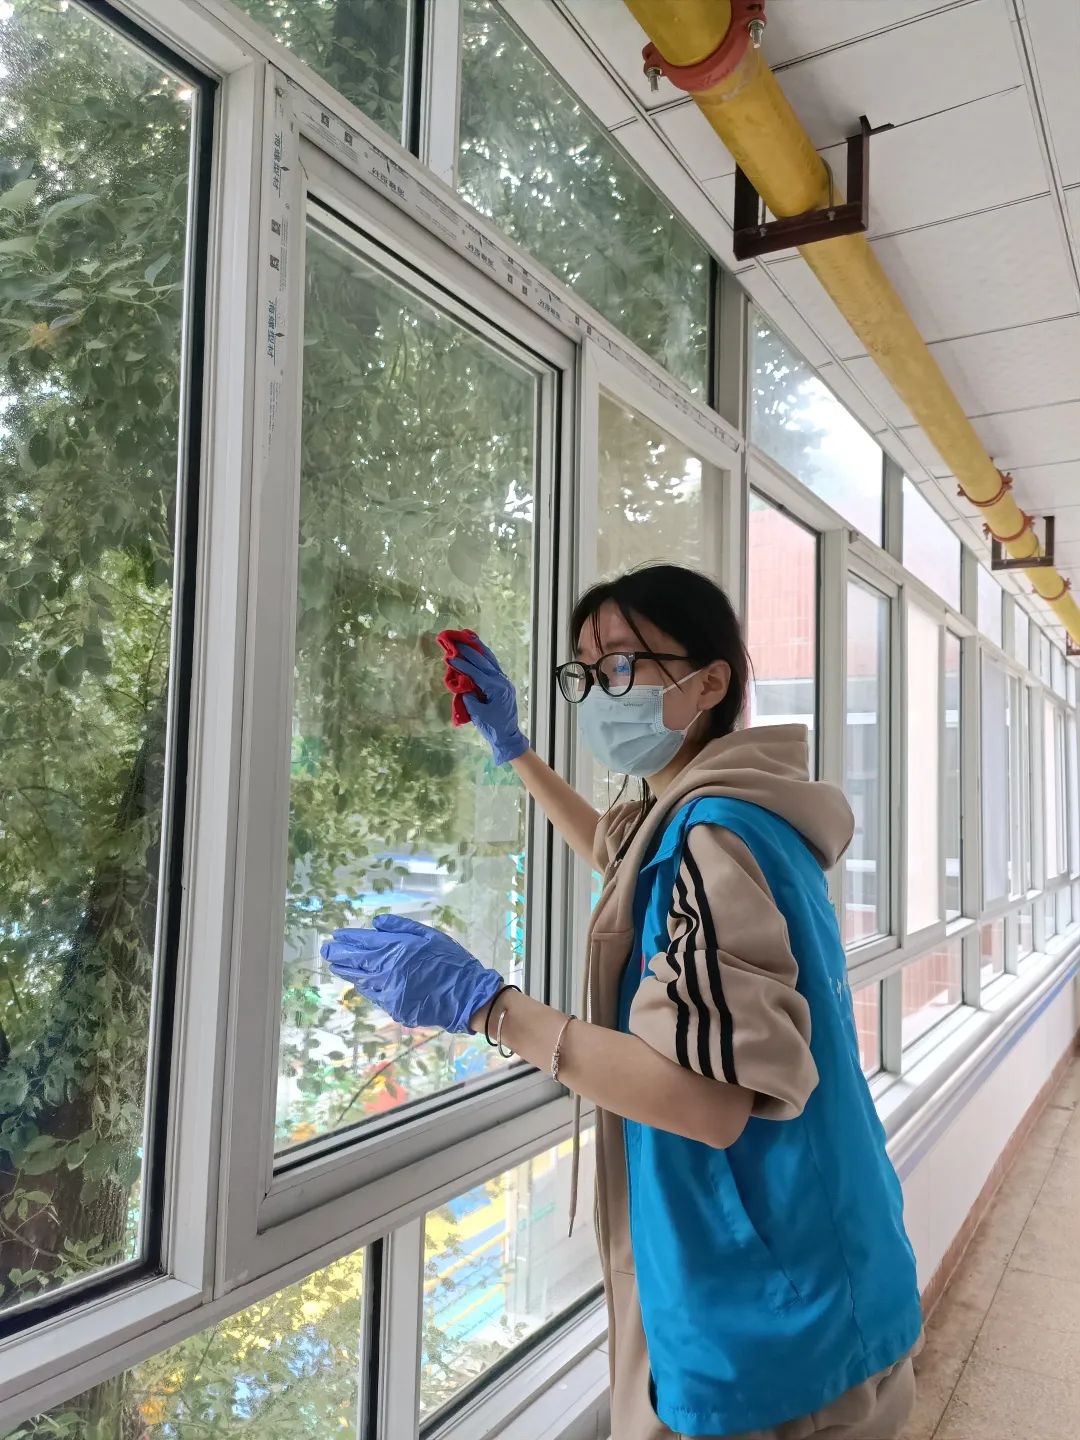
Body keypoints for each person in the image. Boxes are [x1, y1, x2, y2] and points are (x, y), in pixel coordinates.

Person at [323, 564, 922, 1440]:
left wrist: (491, 1009)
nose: (600, 691)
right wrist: (513, 749)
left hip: (772, 1312)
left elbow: (706, 1103)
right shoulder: (737, 815)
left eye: (620, 664)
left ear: (709, 682)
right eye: (585, 670)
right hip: (831, 1253)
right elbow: (626, 863)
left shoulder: (711, 839)